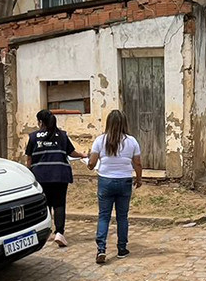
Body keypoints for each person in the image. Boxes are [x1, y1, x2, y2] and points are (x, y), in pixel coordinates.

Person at [88, 110, 143, 264]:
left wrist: (88, 159)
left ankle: (101, 249)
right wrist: (139, 179)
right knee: (122, 217)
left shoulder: (100, 140)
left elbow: (91, 165)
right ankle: (122, 248)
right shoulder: (131, 141)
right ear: (124, 123)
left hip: (105, 181)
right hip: (125, 180)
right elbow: (137, 163)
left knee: (104, 215)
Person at [23, 109, 84, 247]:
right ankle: (59, 233)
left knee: (45, 204)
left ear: (40, 122)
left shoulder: (33, 137)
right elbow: (71, 152)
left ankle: (45, 231)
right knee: (59, 203)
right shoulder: (62, 135)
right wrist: (83, 155)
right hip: (59, 175)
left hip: (41, 176)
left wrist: (29, 173)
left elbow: (29, 159)